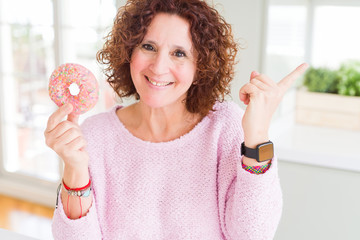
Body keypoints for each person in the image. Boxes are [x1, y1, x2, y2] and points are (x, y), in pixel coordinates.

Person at [45, 0, 308, 239]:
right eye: (148, 47)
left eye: (179, 53)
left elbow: (252, 234)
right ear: (129, 52)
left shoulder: (226, 127)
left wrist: (257, 137)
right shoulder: (95, 134)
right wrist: (75, 167)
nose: (158, 67)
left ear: (201, 65)